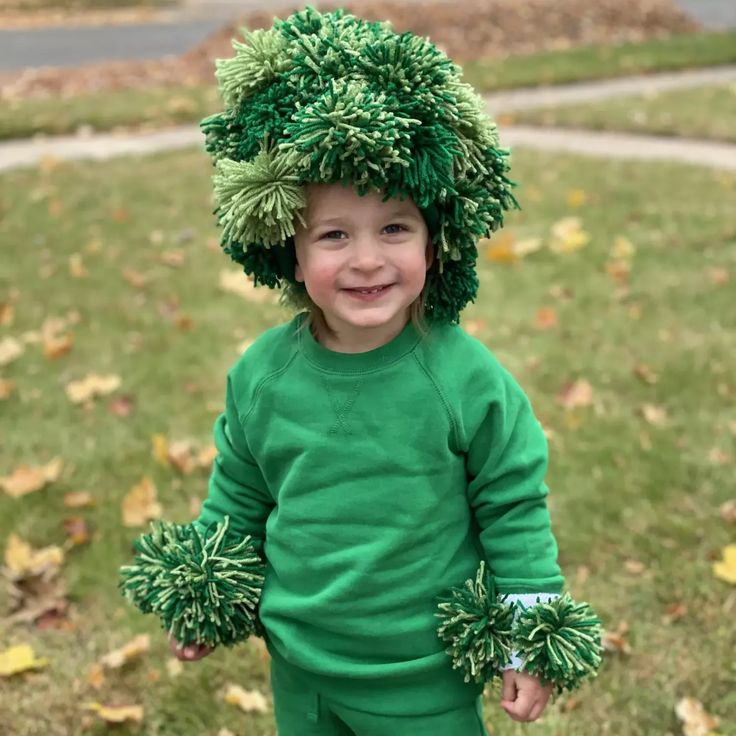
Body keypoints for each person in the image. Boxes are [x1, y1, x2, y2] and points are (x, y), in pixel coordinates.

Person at [120, 8, 602, 735]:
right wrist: (206, 596)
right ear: (290, 250)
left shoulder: (463, 379)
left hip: (422, 678)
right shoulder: (263, 377)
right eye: (336, 234)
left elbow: (512, 505)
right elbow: (240, 498)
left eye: (395, 228)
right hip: (301, 664)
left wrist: (525, 636)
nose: (369, 259)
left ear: (437, 241)